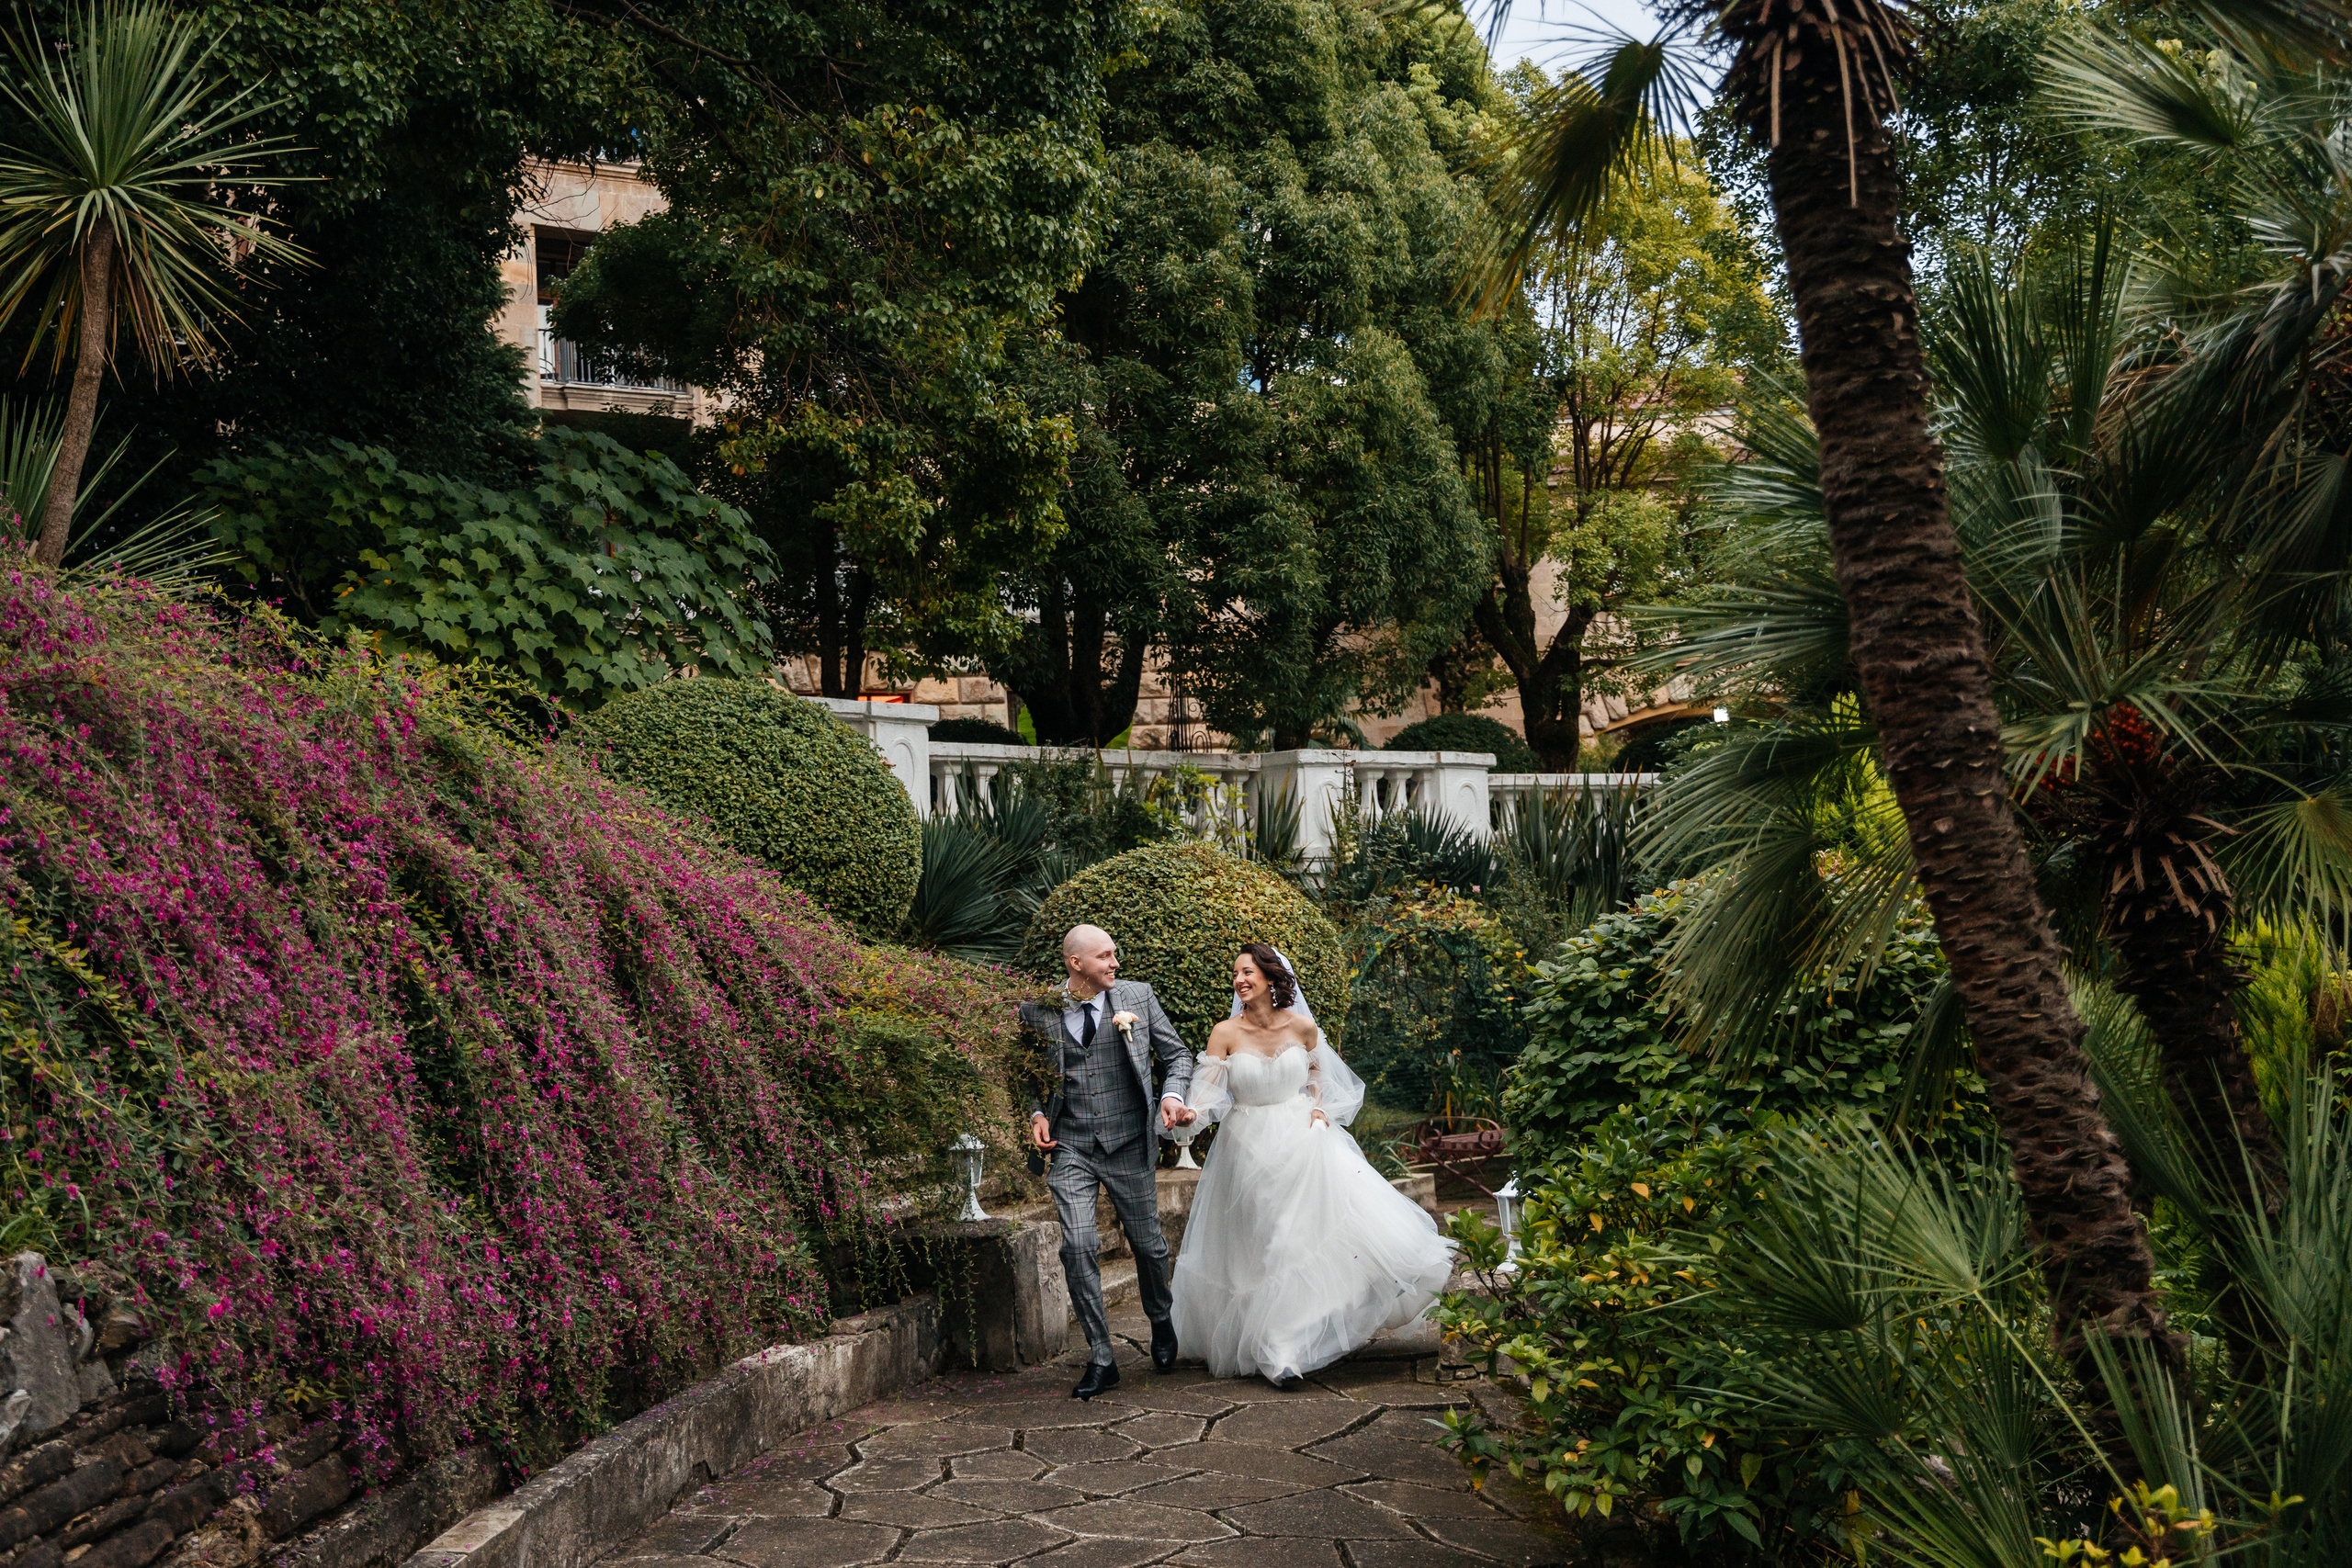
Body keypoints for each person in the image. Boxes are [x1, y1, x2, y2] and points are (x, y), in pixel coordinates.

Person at [1171, 943, 1456, 1387]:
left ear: (1271, 978)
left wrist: (1320, 1111)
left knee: (1296, 1239)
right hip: (1245, 1148)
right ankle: (1274, 1338)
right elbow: (1206, 1098)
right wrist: (1189, 1114)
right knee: (1264, 1245)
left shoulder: (1303, 1027)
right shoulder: (1224, 1032)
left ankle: (1282, 1348)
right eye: (1235, 974)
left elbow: (1320, 1081)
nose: (1239, 980)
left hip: (1302, 1142)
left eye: (1247, 972)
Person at [1020, 923, 1197, 1400]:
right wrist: (1036, 1112)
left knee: (1150, 1246)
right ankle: (1102, 1356)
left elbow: (1177, 1053)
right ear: (1076, 963)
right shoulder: (1037, 1011)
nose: (1115, 963)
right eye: (1105, 956)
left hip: (1127, 1143)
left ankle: (1160, 1319)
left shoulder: (1137, 998)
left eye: (1115, 954)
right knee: (1077, 1246)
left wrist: (1172, 1094)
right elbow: (1025, 1073)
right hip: (1071, 1146)